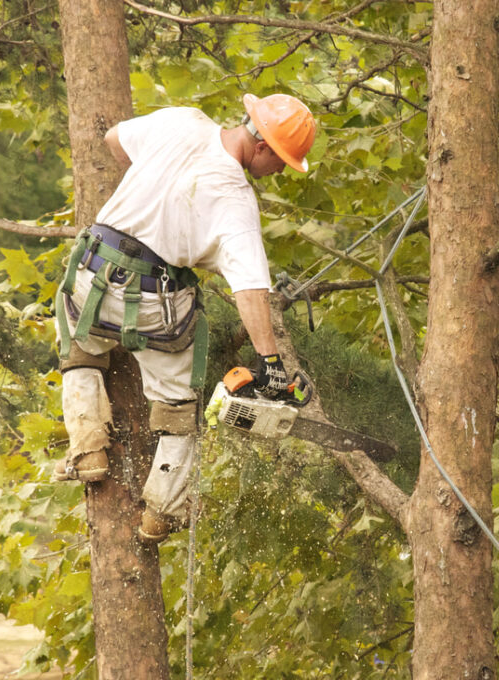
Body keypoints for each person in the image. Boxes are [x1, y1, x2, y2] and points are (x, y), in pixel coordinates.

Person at [52, 93, 317, 543]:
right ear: (263, 147)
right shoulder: (235, 197)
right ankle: (162, 511)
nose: (278, 174)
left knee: (80, 343)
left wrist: (154, 192)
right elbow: (250, 291)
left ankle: (88, 448)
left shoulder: (183, 121)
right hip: (156, 300)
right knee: (177, 406)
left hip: (92, 273)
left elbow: (115, 139)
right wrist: (271, 365)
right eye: (282, 163)